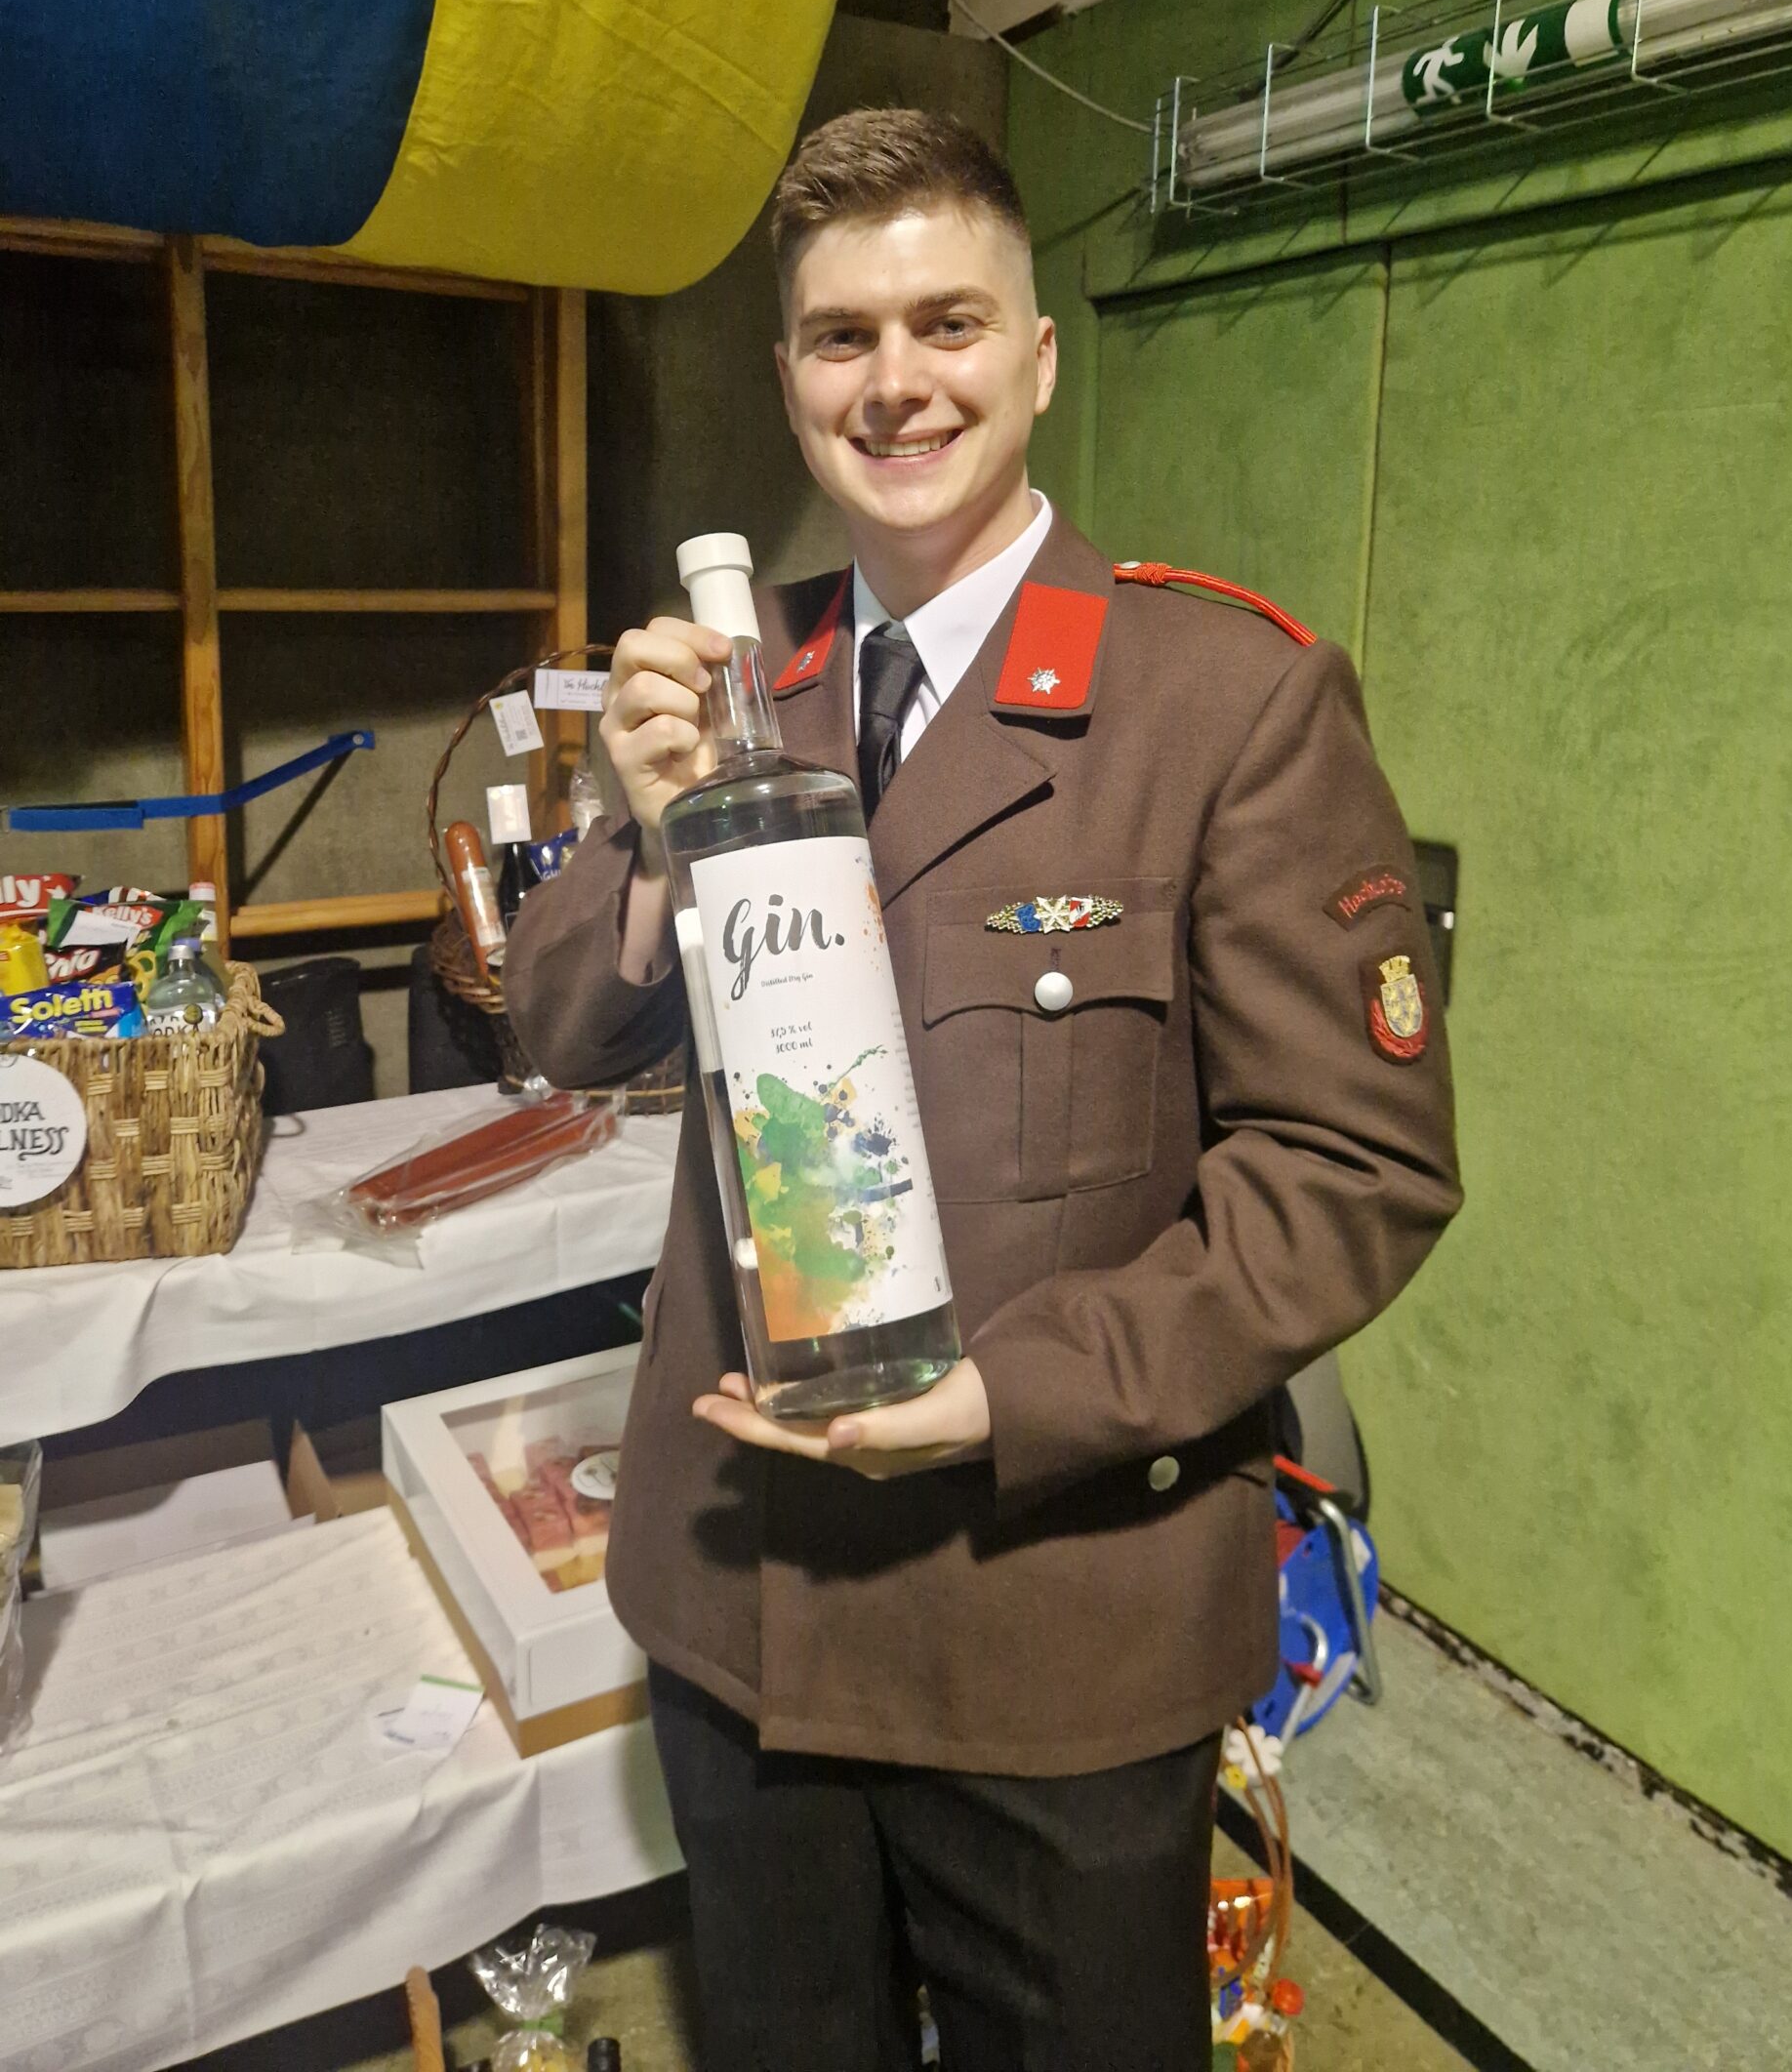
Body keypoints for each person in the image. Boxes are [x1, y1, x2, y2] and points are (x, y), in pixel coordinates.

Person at [504, 107, 1461, 2070]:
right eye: (840, 336)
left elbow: (1351, 1168)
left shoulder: (1224, 703)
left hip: (1053, 1627)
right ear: (789, 382)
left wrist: (1014, 1392)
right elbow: (564, 1031)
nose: (896, 380)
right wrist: (645, 842)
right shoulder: (729, 685)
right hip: (746, 1602)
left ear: (1036, 359)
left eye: (947, 323)